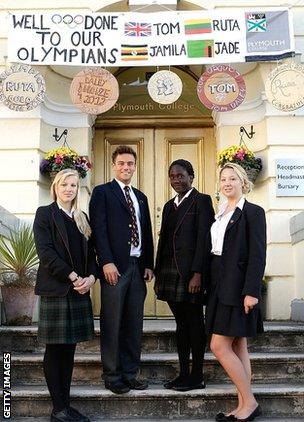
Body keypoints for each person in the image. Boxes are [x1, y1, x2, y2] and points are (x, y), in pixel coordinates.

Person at [89, 145, 154, 394]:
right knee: (112, 322)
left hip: (137, 268)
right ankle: (112, 374)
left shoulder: (141, 196)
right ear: (113, 165)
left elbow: (145, 231)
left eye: (130, 164)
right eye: (122, 163)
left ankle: (130, 372)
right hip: (114, 267)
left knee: (133, 323)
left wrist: (149, 263)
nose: (126, 167)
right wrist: (105, 261)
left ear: (135, 167)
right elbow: (99, 229)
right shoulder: (102, 192)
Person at [33, 169, 97, 422]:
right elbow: (46, 254)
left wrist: (91, 278)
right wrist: (73, 277)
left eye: (73, 185)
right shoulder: (45, 214)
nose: (69, 189)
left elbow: (92, 256)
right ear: (56, 187)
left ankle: (65, 406)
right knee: (55, 349)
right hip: (57, 289)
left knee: (69, 350)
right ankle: (58, 408)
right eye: (64, 184)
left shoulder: (82, 218)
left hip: (79, 290)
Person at [205, 162, 266, 422]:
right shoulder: (220, 212)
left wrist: (251, 290)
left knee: (219, 345)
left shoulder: (253, 212)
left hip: (238, 285)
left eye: (232, 178)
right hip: (219, 283)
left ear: (243, 182)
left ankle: (249, 402)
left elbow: (257, 253)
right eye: (223, 179)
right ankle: (243, 404)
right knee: (238, 342)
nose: (227, 183)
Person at [154, 159, 214, 391]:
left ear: (191, 177)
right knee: (181, 324)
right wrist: (158, 272)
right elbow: (163, 241)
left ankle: (197, 375)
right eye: (172, 176)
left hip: (190, 275)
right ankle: (183, 373)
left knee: (194, 324)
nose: (176, 180)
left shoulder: (202, 201)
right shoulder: (169, 206)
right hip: (169, 273)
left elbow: (204, 239)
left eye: (181, 175)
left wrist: (198, 273)